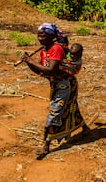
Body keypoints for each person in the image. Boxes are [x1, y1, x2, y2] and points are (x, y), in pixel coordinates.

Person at [21, 23, 89, 159]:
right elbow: (41, 70)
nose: (40, 38)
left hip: (65, 85)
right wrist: (29, 63)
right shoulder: (44, 50)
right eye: (38, 35)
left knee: (55, 112)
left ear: (51, 36)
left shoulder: (56, 49)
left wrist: (30, 60)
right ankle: (85, 128)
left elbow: (51, 69)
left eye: (43, 35)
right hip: (56, 84)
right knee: (70, 107)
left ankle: (46, 144)